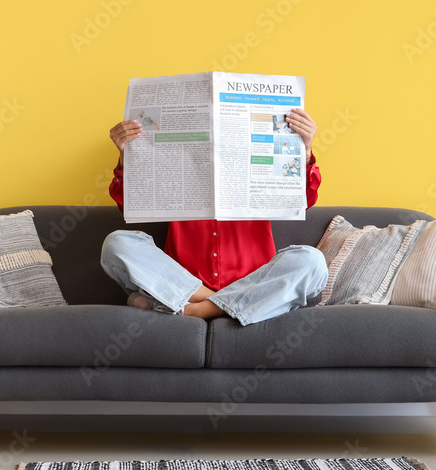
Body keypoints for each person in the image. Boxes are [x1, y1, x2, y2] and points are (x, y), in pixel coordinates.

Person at [100, 108, 327, 326]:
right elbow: (131, 206)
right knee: (117, 243)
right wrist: (126, 156)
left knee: (312, 261)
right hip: (187, 284)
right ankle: (230, 305)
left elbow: (302, 201)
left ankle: (196, 310)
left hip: (253, 279)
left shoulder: (258, 167)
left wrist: (304, 151)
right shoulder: (174, 170)